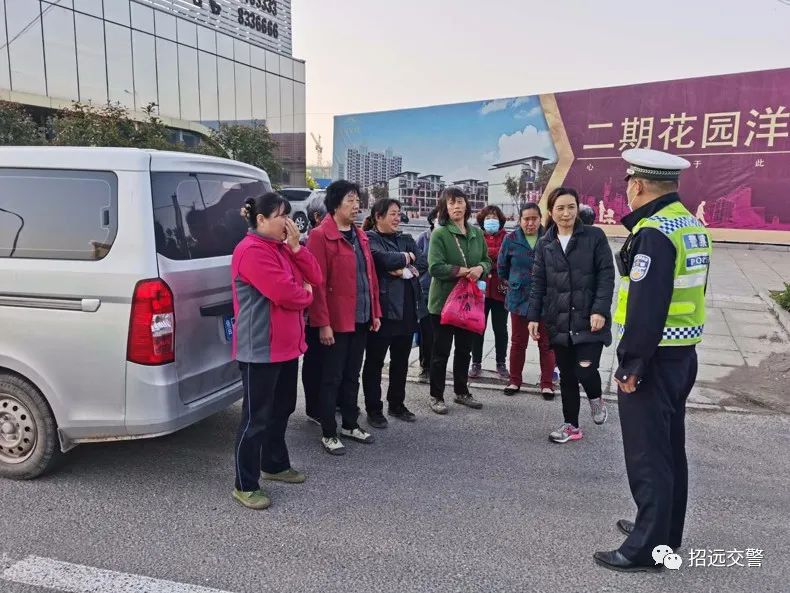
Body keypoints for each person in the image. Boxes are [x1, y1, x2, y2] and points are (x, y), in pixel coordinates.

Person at [594, 149, 711, 573]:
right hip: (681, 354)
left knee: (648, 454)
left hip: (654, 359)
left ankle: (646, 548)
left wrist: (631, 365)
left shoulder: (655, 232)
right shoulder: (690, 225)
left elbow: (647, 307)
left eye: (629, 182)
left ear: (639, 185)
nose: (627, 189)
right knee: (669, 448)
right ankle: (663, 530)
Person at [230, 192, 322, 510]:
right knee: (255, 418)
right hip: (260, 348)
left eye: (288, 215)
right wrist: (306, 294)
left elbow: (315, 277)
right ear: (261, 219)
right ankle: (245, 483)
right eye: (281, 215)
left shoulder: (282, 248)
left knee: (282, 409)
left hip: (285, 347)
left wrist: (296, 248)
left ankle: (274, 463)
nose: (288, 222)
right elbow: (285, 293)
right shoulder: (251, 251)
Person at [527, 187, 614, 443]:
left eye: (571, 207)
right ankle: (571, 425)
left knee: (585, 370)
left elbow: (606, 275)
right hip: (559, 320)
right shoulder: (545, 243)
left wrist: (599, 310)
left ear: (578, 208)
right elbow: (538, 283)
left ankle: (596, 399)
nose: (566, 213)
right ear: (551, 212)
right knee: (566, 376)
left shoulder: (594, 236)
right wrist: (534, 316)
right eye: (560, 208)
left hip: (589, 319)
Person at [306, 180, 381, 455]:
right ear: (335, 204)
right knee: (332, 377)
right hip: (336, 322)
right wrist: (323, 323)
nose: (356, 205)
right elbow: (316, 283)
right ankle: (329, 431)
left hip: (360, 317)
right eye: (350, 200)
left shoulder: (360, 235)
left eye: (358, 200)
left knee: (352, 375)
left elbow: (369, 277)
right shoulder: (320, 236)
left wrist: (375, 312)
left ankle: (350, 424)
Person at [361, 198, 427, 427]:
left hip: (408, 311)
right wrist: (406, 259)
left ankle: (397, 404)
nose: (398, 218)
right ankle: (373, 409)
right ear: (378, 216)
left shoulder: (406, 238)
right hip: (383, 312)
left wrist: (404, 270)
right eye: (393, 214)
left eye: (399, 213)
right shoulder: (369, 238)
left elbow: (424, 262)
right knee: (374, 362)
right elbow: (382, 259)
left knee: (401, 361)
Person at [427, 187, 491, 415]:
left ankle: (461, 391)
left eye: (460, 201)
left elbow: (487, 261)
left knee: (465, 350)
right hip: (443, 304)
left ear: (466, 204)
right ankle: (436, 396)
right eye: (451, 203)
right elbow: (435, 267)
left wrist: (480, 268)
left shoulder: (477, 233)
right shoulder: (440, 233)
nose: (456, 206)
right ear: (445, 207)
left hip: (468, 303)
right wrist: (464, 271)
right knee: (441, 352)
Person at [497, 203, 556, 398]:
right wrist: (515, 281)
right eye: (526, 219)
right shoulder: (511, 239)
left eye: (534, 219)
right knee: (518, 342)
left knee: (546, 344)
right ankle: (514, 380)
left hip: (546, 299)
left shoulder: (550, 237)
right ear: (520, 220)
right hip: (519, 298)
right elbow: (502, 268)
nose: (530, 223)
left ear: (540, 219)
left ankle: (547, 383)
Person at [470, 205, 509, 380]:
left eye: (494, 218)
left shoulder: (507, 238)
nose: (491, 221)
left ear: (500, 221)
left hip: (501, 290)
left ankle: (501, 363)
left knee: (500, 329)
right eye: (487, 218)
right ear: (482, 221)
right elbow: (474, 258)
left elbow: (505, 259)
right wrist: (492, 258)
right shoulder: (476, 237)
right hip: (480, 290)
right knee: (478, 327)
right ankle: (476, 362)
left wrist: (486, 260)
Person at [300, 190, 329, 424]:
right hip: (312, 312)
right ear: (317, 217)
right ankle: (314, 407)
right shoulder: (305, 243)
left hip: (331, 309)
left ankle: (329, 402)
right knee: (315, 360)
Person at [415, 207, 438, 381]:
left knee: (440, 334)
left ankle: (437, 365)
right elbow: (416, 263)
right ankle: (426, 366)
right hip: (426, 290)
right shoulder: (424, 238)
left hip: (445, 293)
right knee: (426, 332)